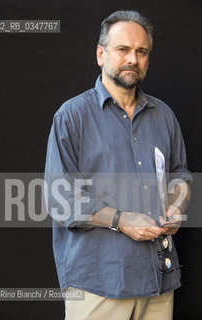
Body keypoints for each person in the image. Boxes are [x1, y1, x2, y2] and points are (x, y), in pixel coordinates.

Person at [45, 10, 192, 320]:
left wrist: (178, 205)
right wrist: (121, 220)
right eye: (122, 49)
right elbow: (60, 199)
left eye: (141, 52)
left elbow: (180, 174)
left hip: (158, 282)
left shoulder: (164, 116)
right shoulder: (71, 117)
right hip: (98, 286)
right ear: (101, 54)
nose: (132, 59)